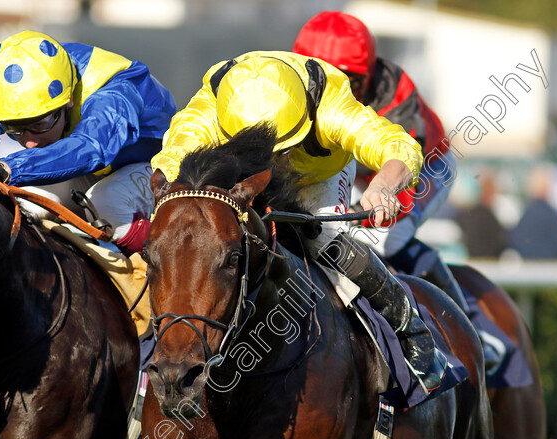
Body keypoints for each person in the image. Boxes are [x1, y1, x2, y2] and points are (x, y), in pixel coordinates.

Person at [152, 51, 446, 392]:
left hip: (316, 176)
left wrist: (383, 186)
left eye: (282, 150)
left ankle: (409, 330)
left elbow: (399, 146)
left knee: (327, 240)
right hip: (237, 179)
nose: (275, 163)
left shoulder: (331, 105)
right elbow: (170, 162)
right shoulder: (211, 106)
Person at [293, 11, 501, 367]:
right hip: (362, 173)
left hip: (425, 166)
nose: (337, 90)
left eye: (349, 80)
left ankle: (470, 328)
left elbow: (404, 171)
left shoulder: (395, 90)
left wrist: (374, 211)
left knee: (387, 237)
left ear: (370, 72)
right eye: (325, 76)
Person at [0, 30, 177, 254]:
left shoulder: (114, 91)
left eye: (40, 125)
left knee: (108, 201)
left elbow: (92, 147)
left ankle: (174, 265)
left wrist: (9, 168)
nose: (30, 143)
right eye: (16, 130)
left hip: (161, 167)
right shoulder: (11, 90)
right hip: (92, 173)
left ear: (68, 101)